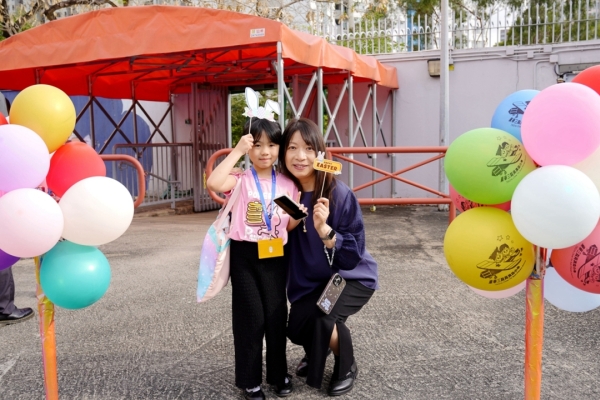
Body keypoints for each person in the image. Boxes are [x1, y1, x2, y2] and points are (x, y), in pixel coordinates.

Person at [279, 118, 379, 396]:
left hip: (348, 278)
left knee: (322, 316)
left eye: (309, 148)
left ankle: (346, 366)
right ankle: (318, 348)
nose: (300, 156)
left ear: (320, 154)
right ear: (283, 153)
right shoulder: (282, 194)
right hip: (311, 283)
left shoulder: (338, 194)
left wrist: (325, 231)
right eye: (292, 148)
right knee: (296, 328)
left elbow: (352, 255)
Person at [206, 117, 301, 400]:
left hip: (276, 254)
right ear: (249, 147)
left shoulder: (287, 183)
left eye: (272, 145)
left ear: (279, 148)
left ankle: (278, 374)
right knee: (250, 318)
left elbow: (290, 225)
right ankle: (250, 381)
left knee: (276, 316)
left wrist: (299, 216)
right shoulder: (240, 180)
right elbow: (213, 182)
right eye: (257, 145)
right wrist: (236, 151)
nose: (264, 151)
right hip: (245, 255)